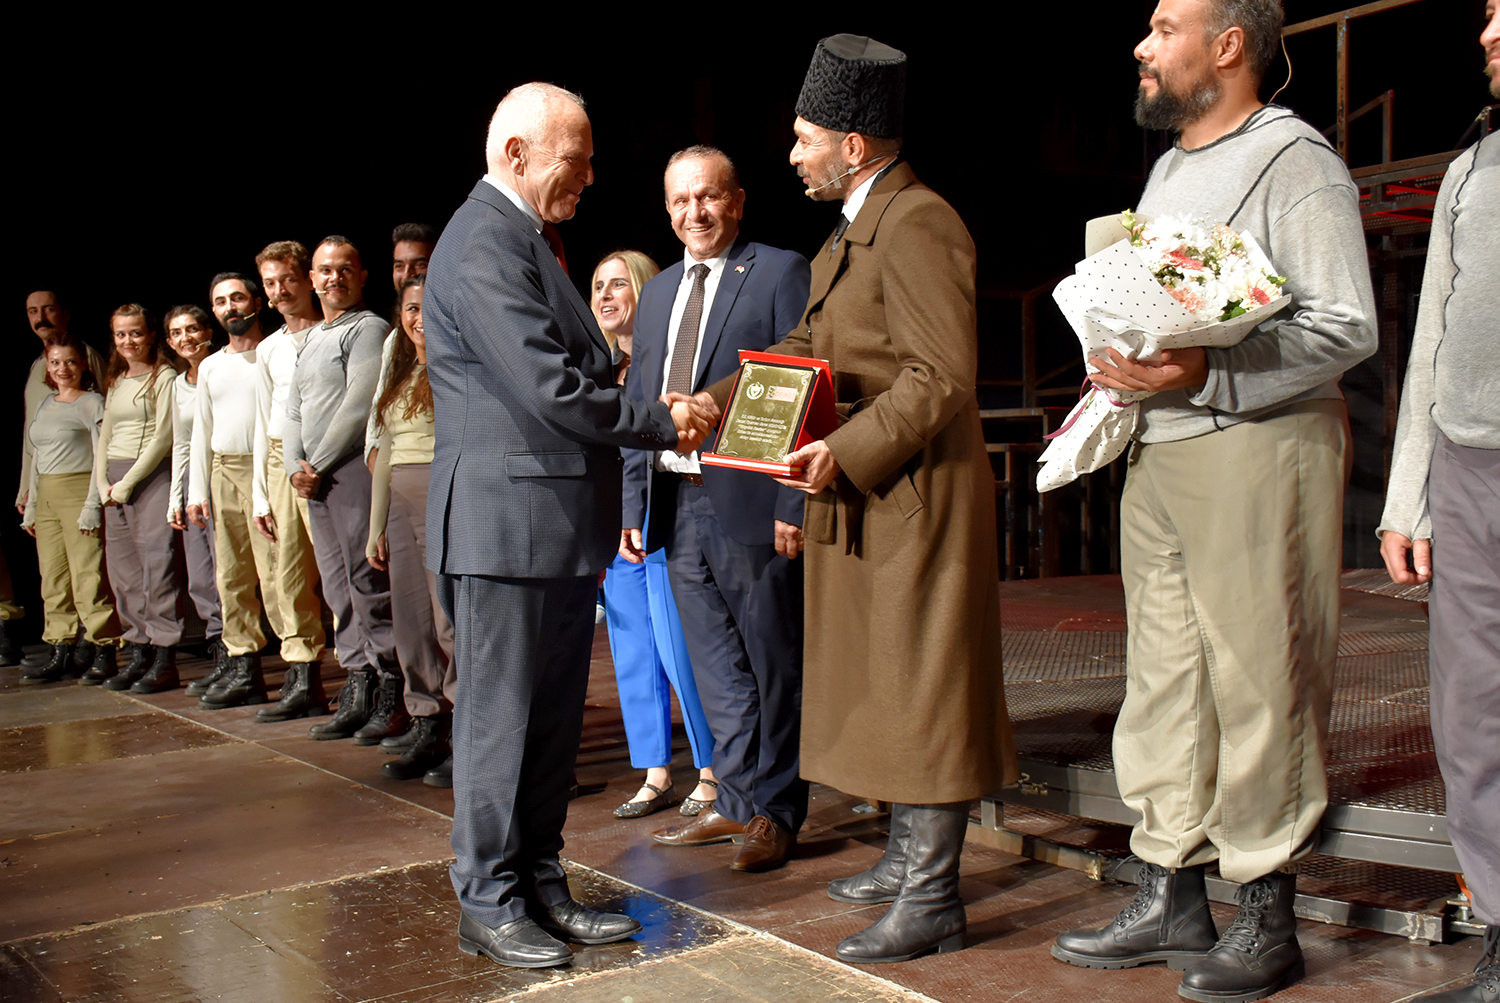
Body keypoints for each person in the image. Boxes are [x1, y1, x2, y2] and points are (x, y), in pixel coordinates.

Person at [1048, 3, 1378, 1001]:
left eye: (1163, 28)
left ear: (1228, 46)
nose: (1141, 46)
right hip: (1163, 442)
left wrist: (1208, 372)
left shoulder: (1294, 159)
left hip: (1258, 443)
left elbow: (1347, 325)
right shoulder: (1170, 169)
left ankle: (1267, 912)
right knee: (1165, 677)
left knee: (1261, 677)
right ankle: (1170, 892)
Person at [702, 35, 1017, 963]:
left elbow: (941, 375)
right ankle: (907, 857)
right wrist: (712, 405)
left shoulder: (918, 221)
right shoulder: (853, 229)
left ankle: (933, 895)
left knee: (922, 687)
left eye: (805, 137)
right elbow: (802, 349)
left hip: (916, 497)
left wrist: (842, 450)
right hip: (878, 495)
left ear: (853, 143)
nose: (792, 153)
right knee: (886, 685)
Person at [423, 82, 713, 969]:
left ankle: (539, 882)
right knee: (499, 723)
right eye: (574, 161)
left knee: (547, 724)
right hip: (502, 530)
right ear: (516, 153)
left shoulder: (522, 238)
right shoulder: (482, 241)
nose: (587, 178)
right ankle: (488, 898)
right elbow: (550, 387)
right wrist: (661, 419)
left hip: (544, 528)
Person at [632, 147, 811, 872]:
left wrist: (793, 499)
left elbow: (800, 384)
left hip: (750, 500)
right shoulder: (656, 293)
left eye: (707, 197)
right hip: (675, 499)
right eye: (680, 200)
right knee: (716, 668)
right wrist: (632, 503)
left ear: (736, 201)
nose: (694, 212)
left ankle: (777, 811)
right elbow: (640, 400)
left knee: (775, 663)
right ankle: (733, 799)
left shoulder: (779, 271)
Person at [1378, 8, 1499, 1001]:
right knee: (1473, 714)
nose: (1489, 33)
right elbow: (1432, 336)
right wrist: (1408, 492)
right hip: (1467, 464)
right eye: (1487, 14)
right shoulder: (1471, 168)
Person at [592, 248, 718, 821]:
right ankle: (655, 773)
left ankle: (711, 770)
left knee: (677, 647)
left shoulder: (667, 362)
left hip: (660, 511)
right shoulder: (595, 371)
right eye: (598, 286)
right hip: (615, 523)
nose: (605, 295)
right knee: (632, 649)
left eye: (619, 284)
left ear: (646, 292)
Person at [285, 236, 400, 742]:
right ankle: (360, 681)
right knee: (336, 587)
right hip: (316, 480)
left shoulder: (368, 328)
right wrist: (294, 466)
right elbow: (293, 408)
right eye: (325, 270)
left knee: (367, 582)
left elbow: (358, 404)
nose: (335, 278)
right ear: (312, 279)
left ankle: (394, 687)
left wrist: (316, 464)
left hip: (349, 470)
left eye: (345, 269)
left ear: (362, 275)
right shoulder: (312, 337)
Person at [191, 273, 323, 709]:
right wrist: (196, 490)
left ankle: (297, 665)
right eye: (221, 301)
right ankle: (242, 663)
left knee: (276, 572)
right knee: (230, 575)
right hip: (223, 467)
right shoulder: (210, 365)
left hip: (264, 464)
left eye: (237, 297)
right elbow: (200, 429)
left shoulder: (271, 351)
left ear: (256, 302)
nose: (230, 307)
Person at [365, 273, 453, 781]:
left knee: (448, 621)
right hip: (399, 505)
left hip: (441, 498)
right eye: (411, 309)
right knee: (412, 622)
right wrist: (376, 526)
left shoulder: (457, 366)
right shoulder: (401, 370)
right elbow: (386, 450)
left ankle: (468, 728)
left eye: (428, 306)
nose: (419, 318)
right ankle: (428, 721)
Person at [248, 240, 329, 720]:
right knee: (288, 570)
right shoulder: (269, 348)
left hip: (327, 458)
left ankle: (367, 672)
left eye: (287, 280)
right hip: (282, 458)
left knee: (338, 568)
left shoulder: (333, 332)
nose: (279, 291)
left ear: (308, 281)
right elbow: (264, 421)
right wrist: (260, 493)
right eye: (270, 283)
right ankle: (303, 674)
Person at [18, 339, 122, 684]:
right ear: (47, 367)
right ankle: (61, 647)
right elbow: (36, 458)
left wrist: (92, 503)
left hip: (78, 489)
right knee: (53, 577)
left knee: (88, 574)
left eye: (70, 362)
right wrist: (32, 505)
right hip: (47, 494)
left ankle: (103, 646)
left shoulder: (92, 403)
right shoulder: (45, 403)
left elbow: (100, 455)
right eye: (55, 362)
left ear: (83, 365)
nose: (62, 369)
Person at [94, 304, 185, 693]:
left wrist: (128, 482)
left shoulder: (163, 376)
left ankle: (165, 658)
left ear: (150, 336)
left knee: (156, 566)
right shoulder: (116, 379)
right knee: (124, 573)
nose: (128, 341)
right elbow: (105, 435)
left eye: (135, 333)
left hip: (148, 476)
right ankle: (139, 651)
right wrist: (101, 483)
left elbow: (163, 435)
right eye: (121, 334)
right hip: (114, 481)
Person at [164, 305, 225, 687]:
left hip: (224, 472)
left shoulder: (223, 368)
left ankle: (241, 653)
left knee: (229, 570)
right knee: (201, 575)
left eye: (191, 329)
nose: (185, 338)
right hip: (192, 483)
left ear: (208, 332)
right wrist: (176, 497)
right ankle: (219, 650)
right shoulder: (177, 384)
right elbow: (181, 442)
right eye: (176, 332)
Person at [365, 223, 439, 471]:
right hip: (395, 469)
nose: (407, 274)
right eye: (399, 266)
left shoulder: (456, 336)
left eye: (419, 264)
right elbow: (382, 398)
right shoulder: (395, 339)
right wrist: (372, 449)